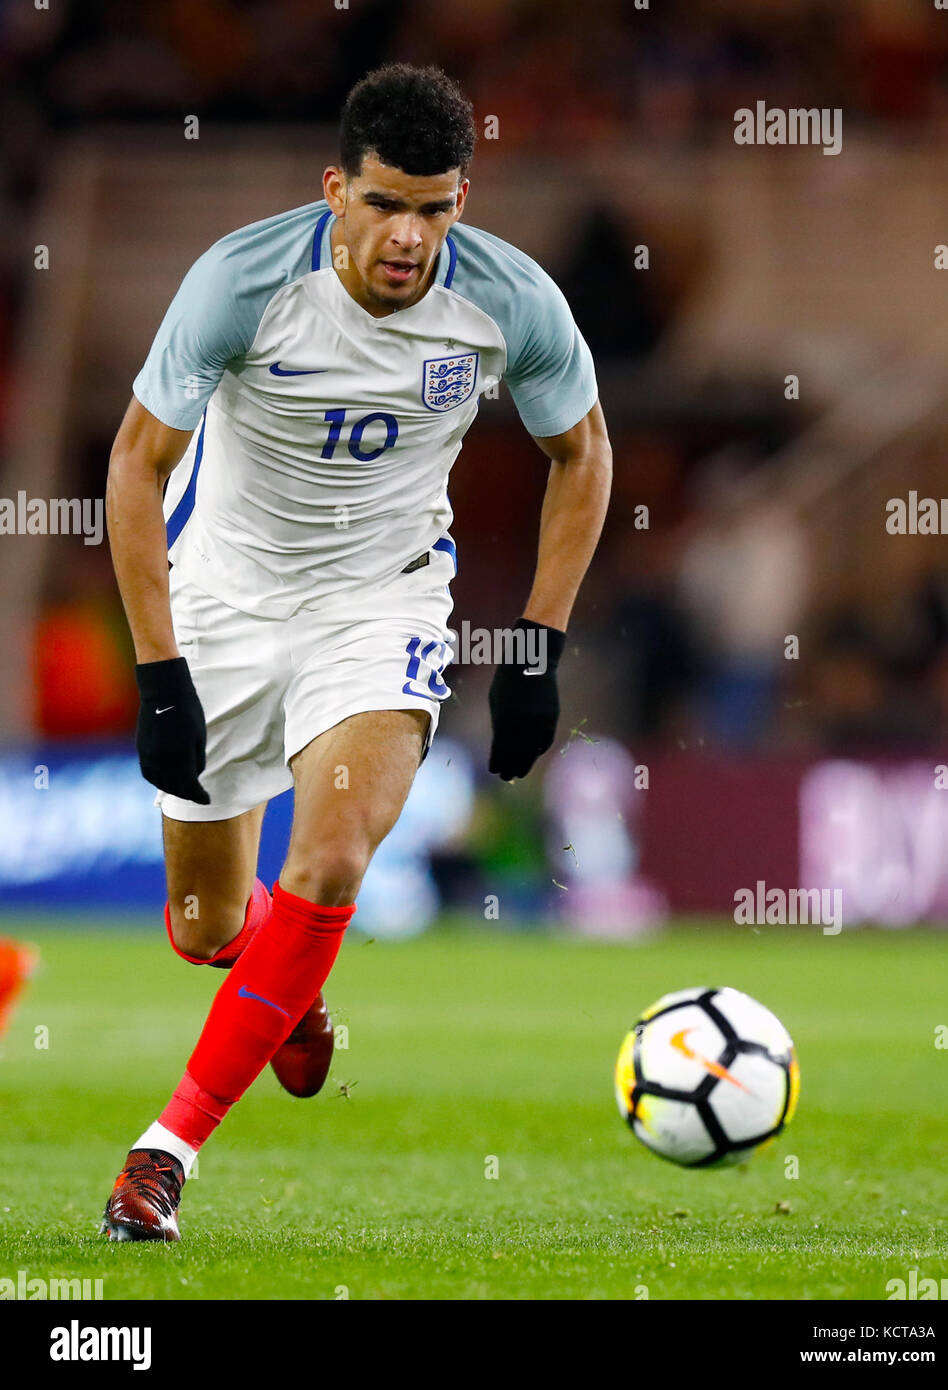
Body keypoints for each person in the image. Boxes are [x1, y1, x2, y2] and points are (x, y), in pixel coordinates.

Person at [101, 62, 611, 1241]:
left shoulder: (510, 303)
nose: (408, 236)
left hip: (377, 607)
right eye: (385, 203)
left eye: (434, 209)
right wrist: (159, 668)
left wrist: (538, 640)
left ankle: (161, 1153)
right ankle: (288, 992)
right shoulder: (241, 281)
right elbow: (136, 464)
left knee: (331, 861)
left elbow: (581, 454)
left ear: (462, 203)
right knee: (208, 933)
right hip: (224, 602)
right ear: (336, 187)